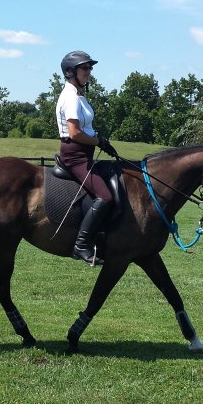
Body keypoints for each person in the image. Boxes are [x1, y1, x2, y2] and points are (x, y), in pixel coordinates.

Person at [55, 50, 119, 266]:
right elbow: (74, 133)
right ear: (71, 72)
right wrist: (98, 142)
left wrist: (99, 139)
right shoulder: (71, 97)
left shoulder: (78, 95)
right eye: (85, 68)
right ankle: (80, 246)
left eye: (90, 68)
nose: (89, 72)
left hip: (84, 153)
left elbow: (86, 130)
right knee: (105, 197)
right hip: (75, 156)